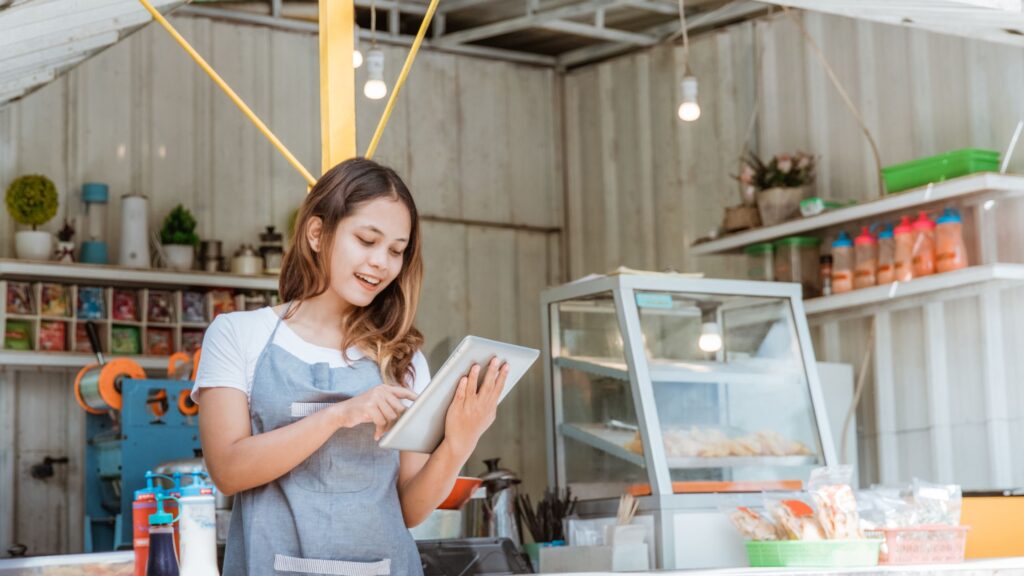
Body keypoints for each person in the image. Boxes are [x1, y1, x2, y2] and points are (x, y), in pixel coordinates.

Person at [192, 158, 509, 576]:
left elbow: (410, 510)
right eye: (367, 240)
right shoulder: (237, 335)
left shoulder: (404, 357)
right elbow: (228, 470)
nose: (381, 262)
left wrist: (459, 443)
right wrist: (340, 415)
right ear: (317, 233)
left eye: (396, 251)